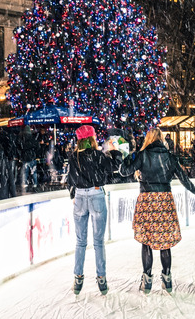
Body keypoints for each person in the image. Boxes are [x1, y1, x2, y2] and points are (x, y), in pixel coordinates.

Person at [119, 128, 195, 295]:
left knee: (147, 240)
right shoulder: (170, 157)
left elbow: (124, 171)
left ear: (149, 139)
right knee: (165, 241)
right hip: (164, 201)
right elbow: (185, 180)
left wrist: (125, 156)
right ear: (162, 140)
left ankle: (147, 280)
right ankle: (167, 278)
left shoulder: (142, 155)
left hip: (147, 201)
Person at [67, 125, 122, 295]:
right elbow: (114, 168)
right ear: (92, 139)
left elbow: (70, 179)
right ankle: (101, 279)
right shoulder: (98, 155)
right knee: (98, 242)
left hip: (80, 197)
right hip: (96, 193)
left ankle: (78, 278)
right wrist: (115, 151)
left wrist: (73, 195)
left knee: (80, 241)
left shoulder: (73, 157)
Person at [18, 126, 40, 191]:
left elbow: (20, 148)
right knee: (34, 173)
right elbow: (38, 147)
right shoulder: (33, 139)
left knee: (25, 173)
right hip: (32, 158)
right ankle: (35, 185)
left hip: (25, 158)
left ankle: (25, 185)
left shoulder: (22, 139)